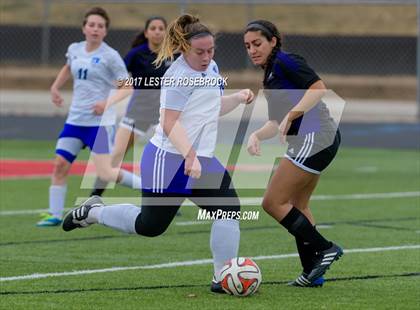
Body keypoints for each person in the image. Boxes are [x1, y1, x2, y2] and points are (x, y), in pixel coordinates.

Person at [62, 14, 254, 293]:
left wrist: (236, 99)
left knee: (229, 209)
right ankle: (94, 211)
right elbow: (169, 122)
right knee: (150, 226)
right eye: (200, 52)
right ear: (184, 48)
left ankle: (222, 277)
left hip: (201, 159)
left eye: (210, 50)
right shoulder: (177, 77)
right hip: (168, 159)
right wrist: (189, 155)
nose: (206, 56)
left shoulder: (211, 68)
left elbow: (210, 108)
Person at [244, 20, 343, 287]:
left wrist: (293, 113)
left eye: (257, 43)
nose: (252, 50)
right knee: (299, 206)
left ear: (273, 41)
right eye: (247, 46)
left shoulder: (286, 61)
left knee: (272, 202)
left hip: (315, 136)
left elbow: (318, 88)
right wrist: (256, 135)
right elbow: (277, 122)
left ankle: (325, 248)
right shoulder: (270, 76)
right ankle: (313, 272)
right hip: (311, 140)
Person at [37, 7, 141, 227]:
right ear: (84, 28)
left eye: (100, 26)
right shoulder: (74, 49)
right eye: (91, 25)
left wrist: (107, 103)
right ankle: (54, 214)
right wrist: (55, 87)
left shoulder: (110, 56)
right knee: (60, 165)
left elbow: (127, 87)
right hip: (75, 122)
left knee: (106, 172)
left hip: (99, 125)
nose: (95, 29)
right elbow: (68, 67)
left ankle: (150, 190)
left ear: (105, 31)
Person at [90, 16, 172, 197]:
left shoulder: (175, 55)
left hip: (165, 116)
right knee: (115, 156)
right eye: (153, 28)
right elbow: (118, 74)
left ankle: (166, 201)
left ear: (166, 33)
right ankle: (94, 196)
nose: (157, 31)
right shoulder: (136, 53)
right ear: (146, 32)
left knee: (168, 159)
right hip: (138, 113)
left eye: (161, 28)